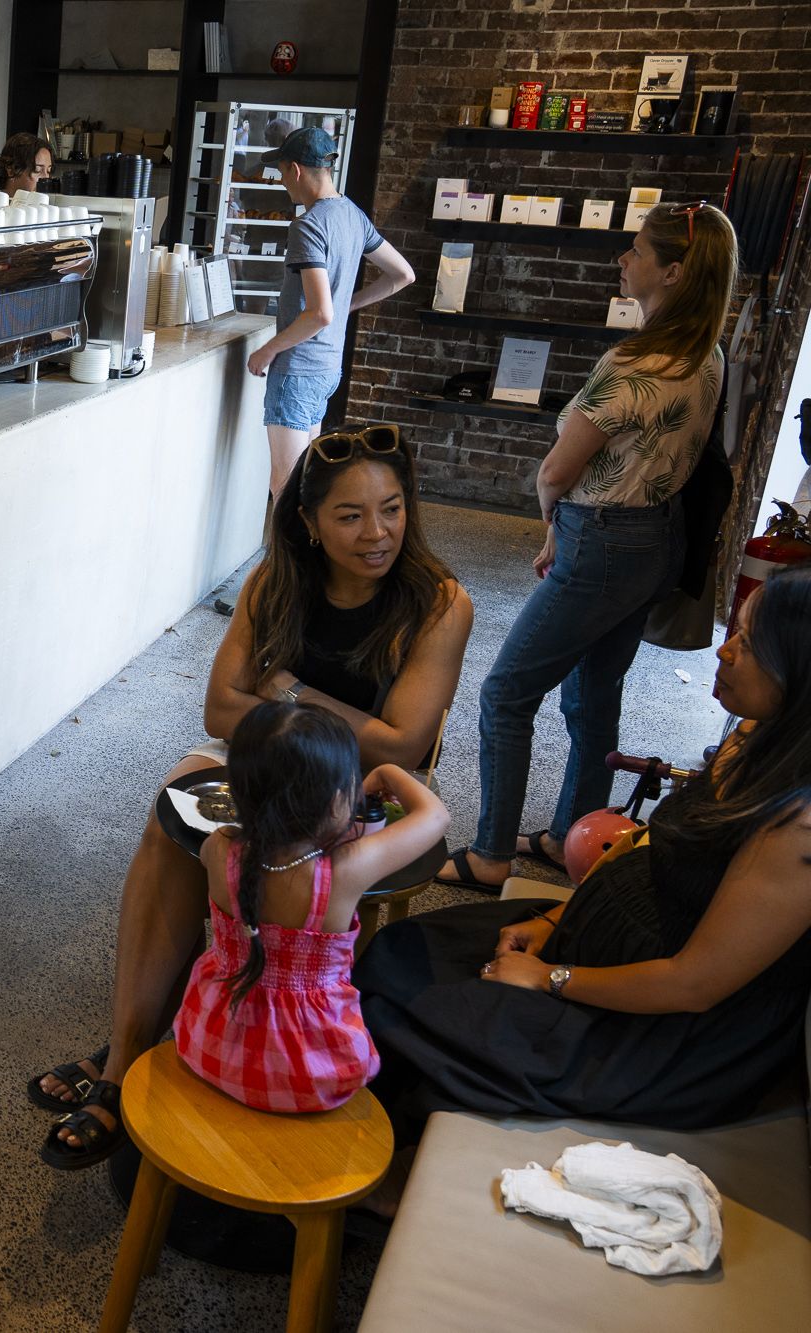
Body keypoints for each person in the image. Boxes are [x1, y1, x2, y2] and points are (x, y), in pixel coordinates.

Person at [31, 425, 473, 1169]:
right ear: (309, 521)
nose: (377, 533)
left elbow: (400, 747)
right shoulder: (277, 579)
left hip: (360, 782)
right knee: (172, 814)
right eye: (351, 515)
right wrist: (311, 713)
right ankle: (127, 1053)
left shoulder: (440, 603)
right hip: (262, 754)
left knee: (273, 857)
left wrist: (288, 691)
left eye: (392, 508)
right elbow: (219, 708)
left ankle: (179, 1027)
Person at [361, 564, 811, 1147]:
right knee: (397, 955)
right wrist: (555, 919)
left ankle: (356, 1166)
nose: (724, 651)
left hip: (665, 1031)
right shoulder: (754, 735)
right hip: (609, 943)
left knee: (417, 1021)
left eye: (747, 643)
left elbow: (694, 984)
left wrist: (550, 979)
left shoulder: (797, 829)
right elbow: (645, 851)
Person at [438, 202, 737, 892]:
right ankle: (572, 837)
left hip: (601, 543)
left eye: (637, 251)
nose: (623, 260)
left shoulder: (631, 362)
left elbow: (557, 471)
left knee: (505, 692)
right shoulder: (708, 356)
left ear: (673, 271)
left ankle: (489, 854)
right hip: (657, 541)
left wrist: (555, 522)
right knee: (594, 692)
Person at [170, 706, 445, 1117]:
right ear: (336, 801)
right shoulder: (343, 871)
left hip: (208, 1046)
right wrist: (387, 772)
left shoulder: (220, 848)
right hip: (307, 1079)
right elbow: (435, 815)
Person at [244, 128, 414, 499]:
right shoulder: (353, 215)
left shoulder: (307, 226)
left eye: (282, 173)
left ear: (295, 170)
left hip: (298, 369)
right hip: (327, 368)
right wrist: (346, 304)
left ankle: (290, 542)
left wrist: (268, 350)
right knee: (307, 481)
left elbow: (319, 313)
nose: (282, 182)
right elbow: (403, 274)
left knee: (285, 486)